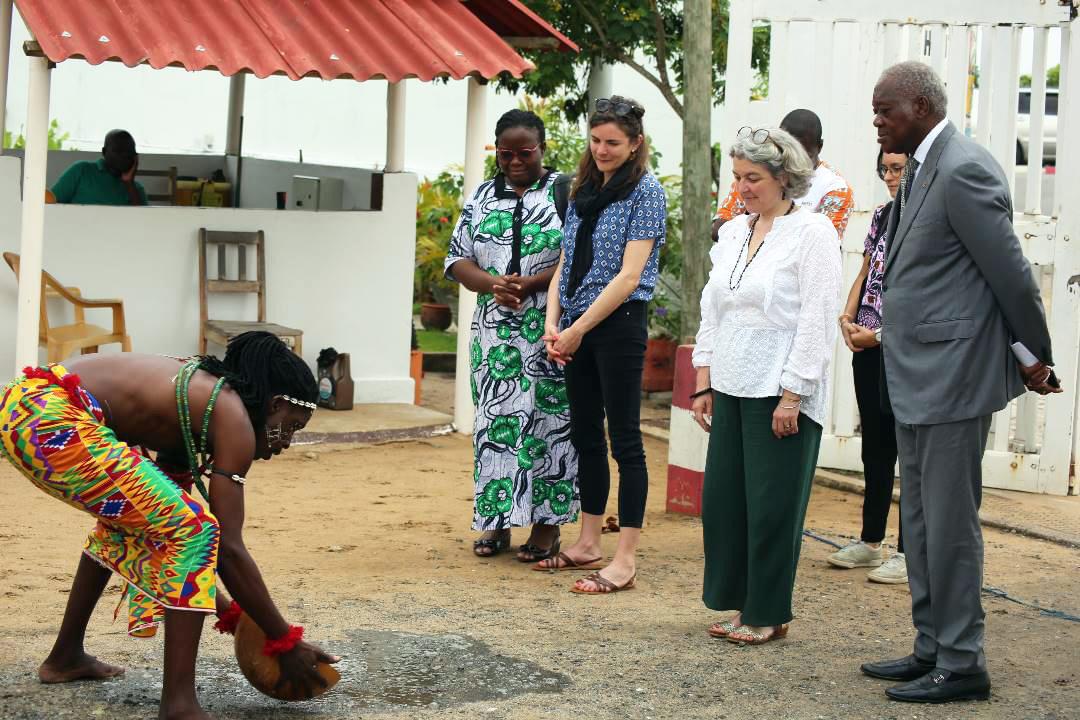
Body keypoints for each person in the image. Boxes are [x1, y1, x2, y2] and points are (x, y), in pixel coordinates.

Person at [0, 333, 338, 720]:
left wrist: (233, 617)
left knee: (138, 523)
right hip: (50, 416)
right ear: (276, 404)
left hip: (25, 408)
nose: (287, 443)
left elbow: (168, 541)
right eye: (292, 425)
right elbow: (225, 546)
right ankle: (179, 705)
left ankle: (65, 656)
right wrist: (282, 638)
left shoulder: (204, 406)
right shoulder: (234, 419)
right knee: (198, 530)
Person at [860, 61, 1060, 704]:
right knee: (918, 521)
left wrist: (1034, 355)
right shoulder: (922, 165)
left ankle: (964, 660)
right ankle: (932, 648)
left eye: (885, 108)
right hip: (919, 372)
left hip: (952, 375)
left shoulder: (965, 165)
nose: (877, 119)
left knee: (947, 524)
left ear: (919, 105)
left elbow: (1010, 273)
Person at [692, 126, 841, 645]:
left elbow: (818, 320)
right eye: (736, 177)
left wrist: (794, 394)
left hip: (779, 390)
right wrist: (703, 381)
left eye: (752, 178)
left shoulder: (814, 233)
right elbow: (713, 310)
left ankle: (768, 612)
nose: (742, 188)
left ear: (784, 177)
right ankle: (741, 603)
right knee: (726, 504)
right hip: (731, 383)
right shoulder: (733, 231)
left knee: (772, 505)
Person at [536, 95, 667, 594]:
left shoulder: (646, 193)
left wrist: (577, 328)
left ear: (635, 144)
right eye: (595, 141)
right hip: (574, 324)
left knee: (626, 441)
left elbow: (629, 276)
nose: (602, 149)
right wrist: (555, 323)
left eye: (613, 142)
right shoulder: (581, 187)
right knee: (585, 435)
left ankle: (625, 557)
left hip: (617, 324)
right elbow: (566, 263)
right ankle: (588, 541)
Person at [445, 109, 579, 562]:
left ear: (541, 148)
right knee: (496, 428)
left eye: (525, 152)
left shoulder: (567, 193)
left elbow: (580, 257)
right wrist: (492, 283)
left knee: (551, 426)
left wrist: (533, 284)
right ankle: (496, 521)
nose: (515, 161)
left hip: (549, 331)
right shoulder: (481, 196)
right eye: (506, 153)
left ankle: (546, 527)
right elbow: (458, 260)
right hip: (495, 339)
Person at [828, 149, 909, 584]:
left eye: (899, 168)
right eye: (886, 169)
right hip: (867, 343)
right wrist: (847, 315)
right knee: (875, 445)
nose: (891, 176)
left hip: (904, 346)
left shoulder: (926, 217)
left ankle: (910, 551)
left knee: (907, 448)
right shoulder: (882, 215)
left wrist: (879, 333)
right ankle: (871, 542)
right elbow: (867, 270)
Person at [711, 109, 853, 241]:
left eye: (804, 154)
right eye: (787, 154)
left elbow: (822, 241)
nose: (795, 162)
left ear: (819, 146)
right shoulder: (754, 176)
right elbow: (719, 229)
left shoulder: (835, 187)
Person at [51, 129, 148, 206]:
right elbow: (50, 203)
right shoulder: (82, 170)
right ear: (104, 152)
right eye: (118, 151)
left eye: (129, 152)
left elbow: (143, 222)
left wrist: (129, 183)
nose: (124, 156)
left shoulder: (136, 189)